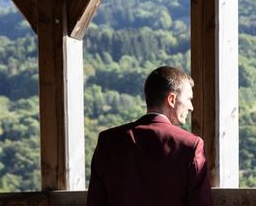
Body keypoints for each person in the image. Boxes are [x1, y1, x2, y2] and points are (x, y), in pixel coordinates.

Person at [87, 66, 212, 206]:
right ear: (171, 99)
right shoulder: (191, 146)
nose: (191, 107)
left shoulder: (108, 141)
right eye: (189, 99)